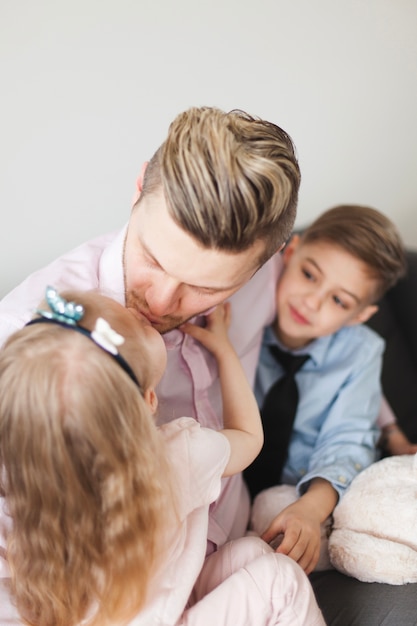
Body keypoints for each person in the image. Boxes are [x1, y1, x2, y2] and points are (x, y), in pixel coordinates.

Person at [0, 105, 301, 554]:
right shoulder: (27, 338)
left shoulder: (274, 280)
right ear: (140, 186)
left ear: (270, 259)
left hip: (243, 554)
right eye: (153, 259)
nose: (160, 302)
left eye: (204, 287)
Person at [0, 287, 325, 626]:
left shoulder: (27, 487)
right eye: (142, 327)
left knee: (252, 553)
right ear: (148, 402)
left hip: (154, 608)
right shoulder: (177, 457)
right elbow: (248, 437)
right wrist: (225, 349)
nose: (143, 314)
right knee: (280, 580)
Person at [244, 205, 408, 576]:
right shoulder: (245, 314)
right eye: (308, 274)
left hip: (297, 489)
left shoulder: (360, 351)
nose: (312, 302)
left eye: (339, 301)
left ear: (360, 315)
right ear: (290, 253)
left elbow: (346, 440)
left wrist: (311, 507)